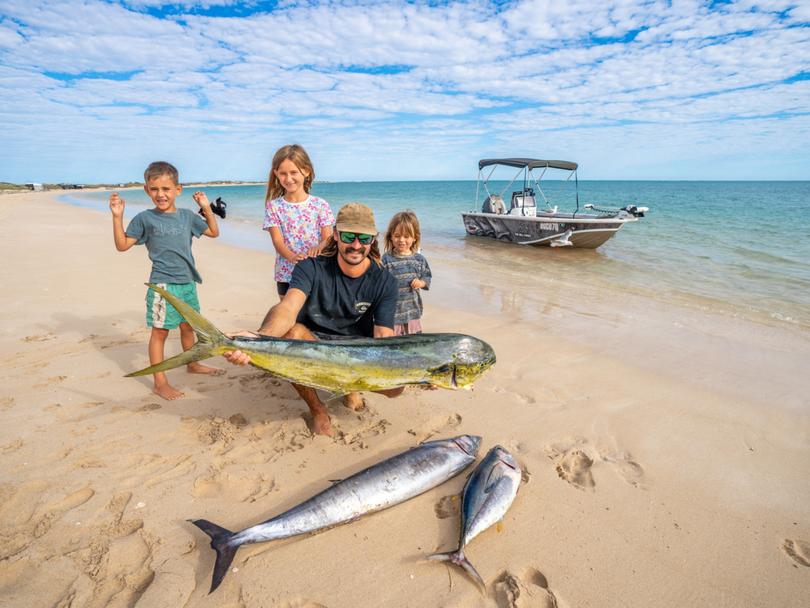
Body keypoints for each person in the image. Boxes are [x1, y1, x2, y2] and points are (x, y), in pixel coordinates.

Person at [224, 202, 402, 437]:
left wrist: (421, 374)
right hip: (311, 344)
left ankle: (350, 387)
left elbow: (383, 336)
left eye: (364, 238)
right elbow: (287, 308)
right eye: (349, 236)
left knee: (396, 389)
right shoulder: (310, 268)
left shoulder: (385, 281)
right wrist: (260, 338)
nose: (356, 245)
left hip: (355, 352)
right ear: (336, 235)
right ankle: (317, 409)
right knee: (291, 334)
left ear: (373, 239)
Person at [110, 161, 222, 401]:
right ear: (147, 190)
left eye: (166, 189)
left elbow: (213, 232)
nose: (160, 194)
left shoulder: (187, 217)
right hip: (163, 285)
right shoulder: (144, 219)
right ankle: (160, 383)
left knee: (188, 327)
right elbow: (122, 246)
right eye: (154, 189)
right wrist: (117, 217)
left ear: (177, 189)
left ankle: (192, 364)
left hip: (188, 282)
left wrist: (206, 207)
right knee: (160, 332)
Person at [263, 144, 335, 298]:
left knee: (313, 319)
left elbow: (328, 239)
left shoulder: (320, 205)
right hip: (286, 274)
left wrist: (318, 248)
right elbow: (277, 241)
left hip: (317, 272)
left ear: (306, 171)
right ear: (276, 173)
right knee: (288, 316)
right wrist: (291, 257)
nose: (288, 179)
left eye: (293, 172)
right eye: (283, 174)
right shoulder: (274, 206)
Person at [382, 210, 432, 335]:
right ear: (391, 236)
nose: (402, 240)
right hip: (393, 313)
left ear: (415, 238)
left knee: (413, 343)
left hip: (412, 311)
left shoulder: (419, 259)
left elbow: (427, 276)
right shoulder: (386, 259)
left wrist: (421, 283)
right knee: (394, 345)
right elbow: (379, 284)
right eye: (397, 236)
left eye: (406, 236)